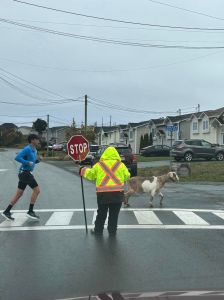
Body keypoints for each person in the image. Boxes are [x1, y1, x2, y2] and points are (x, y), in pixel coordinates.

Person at [80, 146, 130, 236]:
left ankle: (98, 231)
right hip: (117, 194)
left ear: (104, 155)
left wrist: (82, 170)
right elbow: (127, 176)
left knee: (101, 213)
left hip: (103, 195)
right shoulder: (120, 165)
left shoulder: (99, 165)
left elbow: (91, 174)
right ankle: (112, 231)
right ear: (116, 155)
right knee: (114, 215)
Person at [1, 134, 43, 221]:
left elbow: (32, 162)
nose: (39, 141)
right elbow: (17, 157)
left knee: (19, 193)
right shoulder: (27, 149)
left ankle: (6, 211)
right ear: (32, 140)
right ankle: (30, 211)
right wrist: (27, 162)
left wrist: (38, 160)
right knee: (37, 190)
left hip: (26, 173)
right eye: (37, 139)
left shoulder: (34, 149)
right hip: (24, 173)